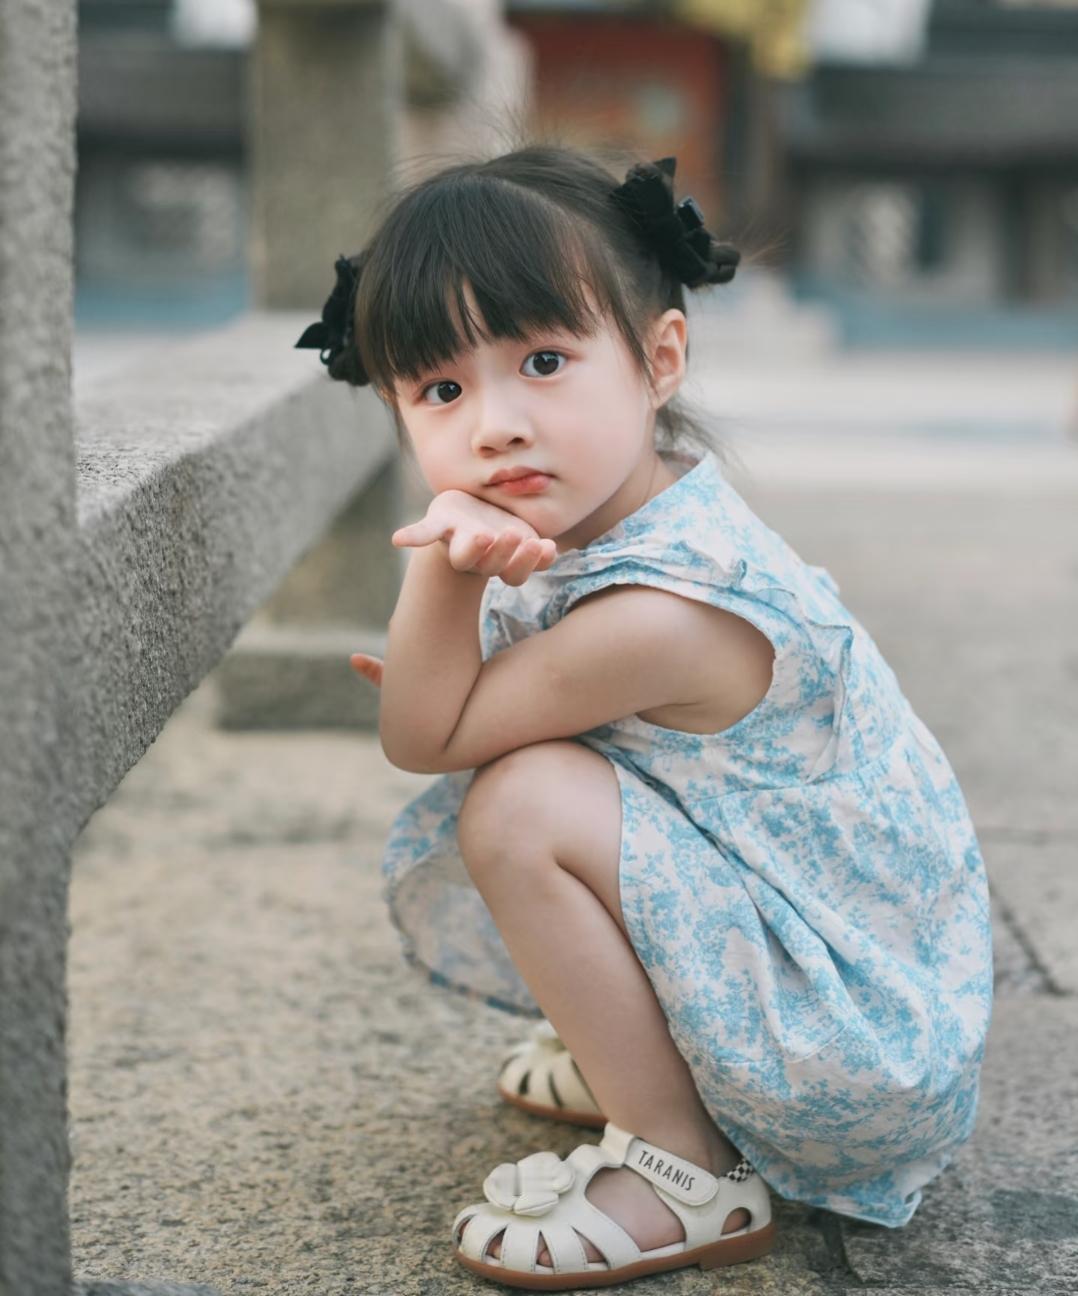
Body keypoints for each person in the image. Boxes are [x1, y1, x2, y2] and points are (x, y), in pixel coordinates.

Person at [295, 144, 993, 1291]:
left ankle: (681, 1165)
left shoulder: (662, 611)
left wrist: (447, 578)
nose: (496, 425)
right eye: (441, 389)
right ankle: (676, 1060)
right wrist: (471, 635)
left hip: (852, 1053)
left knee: (522, 803)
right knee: (537, 764)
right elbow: (441, 716)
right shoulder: (638, 505)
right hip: (849, 989)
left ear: (658, 357)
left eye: (544, 360)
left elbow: (424, 734)